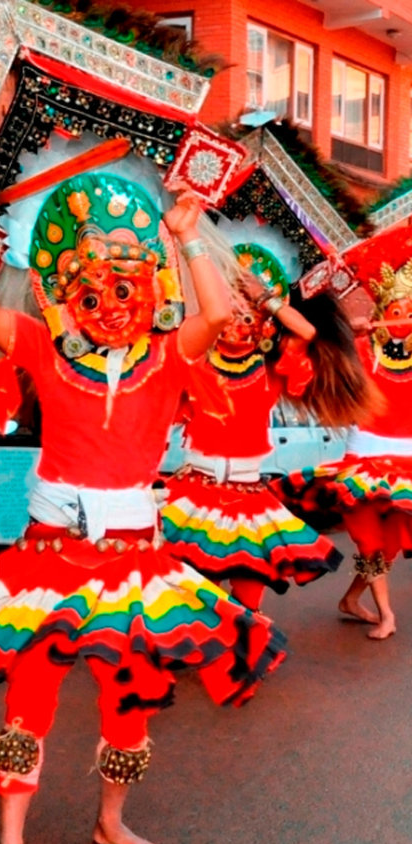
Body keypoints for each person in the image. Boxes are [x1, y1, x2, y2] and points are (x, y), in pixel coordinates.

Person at [0, 172, 287, 844]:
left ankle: (111, 821)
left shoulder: (171, 356)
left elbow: (220, 307)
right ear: (68, 296)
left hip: (135, 566)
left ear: (151, 290)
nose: (111, 307)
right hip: (44, 560)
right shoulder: (45, 347)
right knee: (27, 701)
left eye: (126, 290)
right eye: (94, 294)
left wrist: (191, 233)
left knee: (129, 703)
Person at [160, 230, 378, 611]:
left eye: (249, 315)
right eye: (230, 311)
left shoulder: (271, 372)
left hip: (248, 495)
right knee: (195, 587)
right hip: (196, 491)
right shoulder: (196, 361)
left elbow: (306, 332)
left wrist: (265, 297)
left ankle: (244, 646)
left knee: (249, 591)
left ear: (264, 326)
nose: (237, 322)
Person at [274, 243, 412, 640]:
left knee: (388, 547)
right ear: (381, 313)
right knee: (369, 542)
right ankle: (388, 615)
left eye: (407, 313)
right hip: (361, 467)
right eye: (394, 311)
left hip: (404, 469)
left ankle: (351, 600)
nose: (400, 320)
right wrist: (352, 330)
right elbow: (324, 345)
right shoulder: (363, 353)